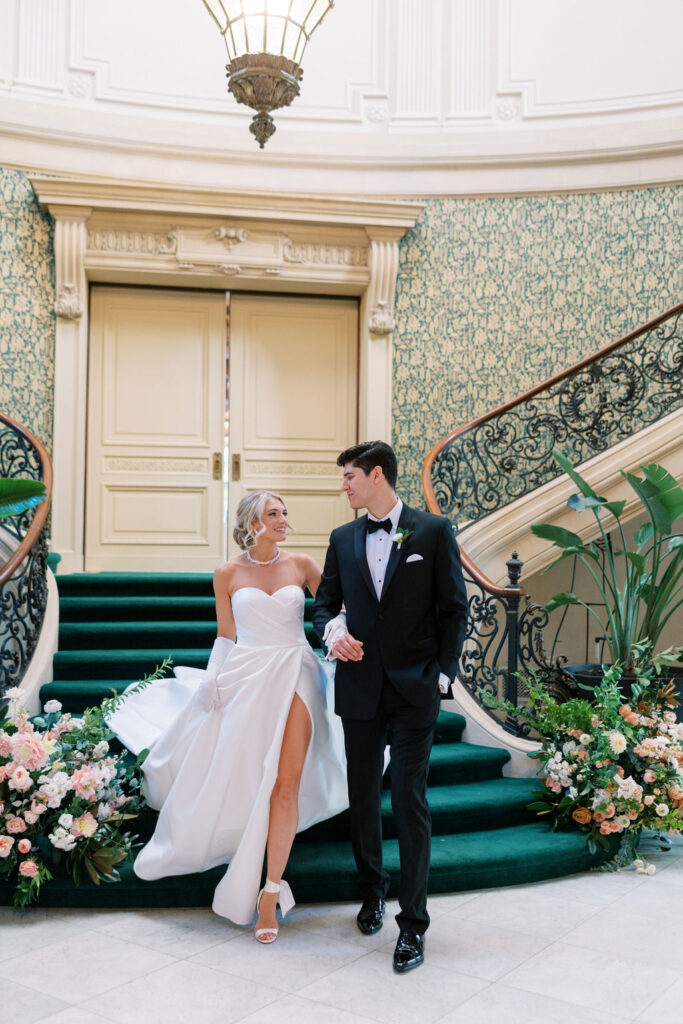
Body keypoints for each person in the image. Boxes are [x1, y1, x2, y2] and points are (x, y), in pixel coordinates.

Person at [107, 490, 348, 942]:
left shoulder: (303, 565)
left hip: (297, 670)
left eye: (284, 513)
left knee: (285, 784)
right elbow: (225, 634)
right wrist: (213, 678)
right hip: (247, 675)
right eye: (273, 513)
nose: (283, 519)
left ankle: (270, 893)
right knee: (247, 775)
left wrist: (343, 634)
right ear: (251, 521)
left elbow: (336, 610)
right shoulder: (227, 573)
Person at [313, 441, 468, 973]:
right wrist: (334, 635)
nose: (344, 487)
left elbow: (454, 609)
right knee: (362, 795)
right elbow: (324, 605)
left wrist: (443, 674)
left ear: (377, 475)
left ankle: (414, 925)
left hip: (414, 689)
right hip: (358, 687)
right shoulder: (342, 538)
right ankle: (372, 890)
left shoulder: (431, 531)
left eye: (350, 477)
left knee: (409, 798)